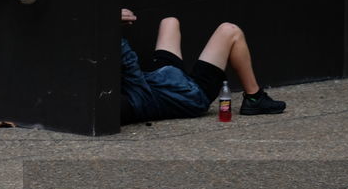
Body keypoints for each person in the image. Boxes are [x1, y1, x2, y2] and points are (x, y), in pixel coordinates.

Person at [118, 8, 286, 124]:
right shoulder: (136, 97)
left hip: (161, 79)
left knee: (169, 22)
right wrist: (113, 23)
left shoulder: (131, 87)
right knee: (230, 30)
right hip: (186, 94)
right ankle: (255, 98)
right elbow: (127, 59)